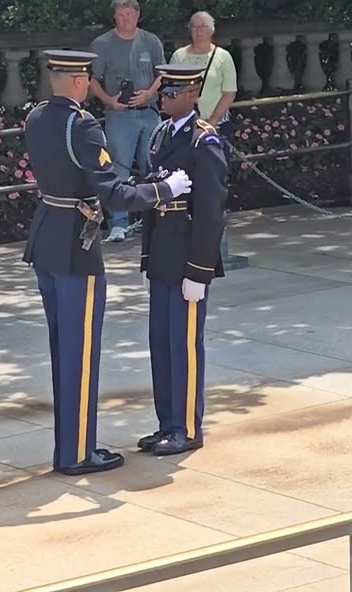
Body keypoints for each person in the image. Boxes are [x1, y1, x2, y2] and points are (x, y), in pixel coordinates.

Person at [22, 50, 193, 475]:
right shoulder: (81, 126)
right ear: (80, 82)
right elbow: (113, 194)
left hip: (45, 237)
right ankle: (77, 452)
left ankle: (71, 445)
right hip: (75, 247)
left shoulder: (37, 117)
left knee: (62, 348)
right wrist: (163, 190)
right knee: (79, 353)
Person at [136, 63, 228, 456]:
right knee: (161, 342)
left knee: (185, 345)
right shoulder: (160, 134)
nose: (164, 98)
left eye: (172, 93)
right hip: (162, 255)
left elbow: (210, 211)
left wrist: (200, 270)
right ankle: (166, 423)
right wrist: (147, 254)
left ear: (192, 95)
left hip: (188, 257)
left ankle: (187, 428)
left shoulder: (203, 142)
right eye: (163, 92)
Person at [89, 0, 167, 243]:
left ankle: (155, 219)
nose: (125, 19)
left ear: (138, 14)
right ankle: (119, 224)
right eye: (121, 15)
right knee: (119, 169)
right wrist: (108, 100)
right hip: (119, 115)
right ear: (114, 17)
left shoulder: (151, 41)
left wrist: (149, 93)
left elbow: (162, 74)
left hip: (149, 113)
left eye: (129, 14)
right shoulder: (102, 44)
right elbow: (91, 78)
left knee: (154, 167)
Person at [169, 10, 238, 262]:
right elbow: (172, 88)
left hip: (215, 125)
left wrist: (212, 122)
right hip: (185, 126)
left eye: (202, 27)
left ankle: (216, 242)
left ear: (211, 30)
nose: (198, 31)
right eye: (194, 27)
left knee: (214, 182)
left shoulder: (222, 57)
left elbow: (229, 92)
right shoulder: (179, 55)